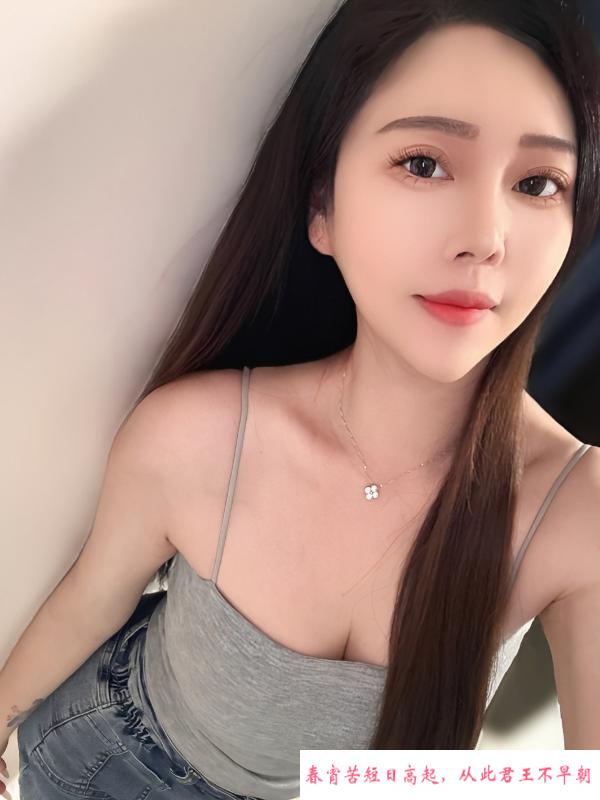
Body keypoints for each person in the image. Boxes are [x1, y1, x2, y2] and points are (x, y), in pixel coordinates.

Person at [2, 0, 599, 797]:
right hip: (104, 761)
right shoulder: (196, 436)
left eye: (538, 182)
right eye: (424, 164)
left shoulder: (576, 510)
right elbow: (90, 602)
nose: (486, 239)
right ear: (323, 206)